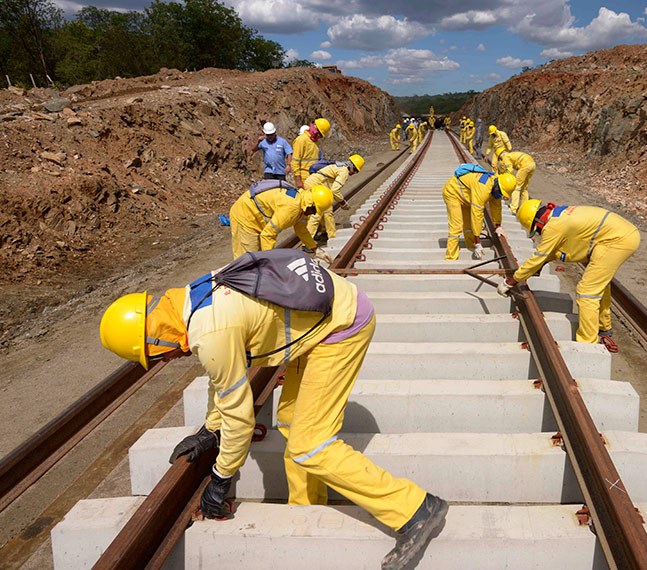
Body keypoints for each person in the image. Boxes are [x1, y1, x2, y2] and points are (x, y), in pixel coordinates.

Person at [98, 249, 449, 570]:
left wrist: (221, 479)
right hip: (320, 319)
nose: (166, 361)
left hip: (342, 326)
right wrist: (208, 429)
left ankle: (416, 508)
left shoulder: (211, 331)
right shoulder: (190, 299)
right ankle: (307, 510)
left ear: (155, 338)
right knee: (290, 421)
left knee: (311, 444)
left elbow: (239, 416)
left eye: (156, 357)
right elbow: (222, 378)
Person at [498, 200, 640, 352]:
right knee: (598, 283)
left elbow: (541, 255)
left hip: (617, 240)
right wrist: (536, 268)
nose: (539, 233)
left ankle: (588, 345)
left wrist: (511, 280)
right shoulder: (558, 216)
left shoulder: (553, 226)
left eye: (537, 230)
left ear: (538, 222)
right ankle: (603, 326)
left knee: (587, 291)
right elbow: (556, 250)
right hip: (620, 234)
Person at [228, 180, 333, 262]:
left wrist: (315, 249)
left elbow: (301, 230)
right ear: (311, 204)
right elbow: (267, 235)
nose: (313, 214)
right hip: (244, 215)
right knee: (248, 259)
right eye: (314, 210)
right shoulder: (292, 208)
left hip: (256, 217)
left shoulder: (303, 204)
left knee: (257, 258)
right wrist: (270, 261)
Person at [442, 167, 516, 261]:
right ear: (498, 186)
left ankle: (470, 246)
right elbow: (477, 214)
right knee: (456, 226)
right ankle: (450, 257)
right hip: (452, 193)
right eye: (500, 193)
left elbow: (497, 207)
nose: (500, 195)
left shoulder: (496, 186)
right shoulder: (483, 188)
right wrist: (478, 242)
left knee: (468, 225)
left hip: (466, 196)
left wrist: (498, 226)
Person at [305, 154, 364, 243]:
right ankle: (309, 242)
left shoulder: (340, 166)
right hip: (315, 186)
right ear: (352, 167)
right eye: (355, 171)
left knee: (325, 211)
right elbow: (335, 190)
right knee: (321, 212)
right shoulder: (344, 171)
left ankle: (326, 233)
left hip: (312, 183)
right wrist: (342, 202)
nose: (354, 173)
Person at [291, 118, 331, 189]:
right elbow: (295, 161)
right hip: (304, 178)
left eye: (321, 136)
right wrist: (298, 180)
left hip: (313, 176)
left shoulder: (315, 142)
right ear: (316, 130)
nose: (319, 137)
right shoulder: (301, 140)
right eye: (319, 134)